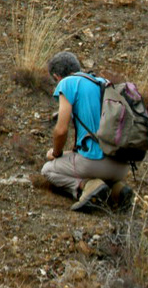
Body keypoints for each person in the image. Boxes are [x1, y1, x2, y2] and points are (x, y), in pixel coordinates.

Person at [41, 51, 133, 212]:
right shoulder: (103, 83)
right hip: (123, 165)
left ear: (56, 76)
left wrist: (56, 153)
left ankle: (87, 186)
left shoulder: (67, 83)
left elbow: (61, 131)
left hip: (95, 164)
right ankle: (116, 191)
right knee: (84, 158)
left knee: (48, 170)